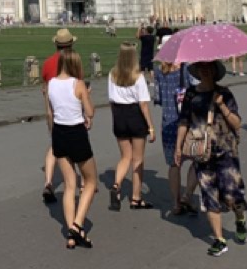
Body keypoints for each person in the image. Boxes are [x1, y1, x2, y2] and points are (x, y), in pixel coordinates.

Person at [175, 61, 247, 257]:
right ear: (197, 71)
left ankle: (240, 218)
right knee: (209, 196)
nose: (205, 71)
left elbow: (237, 123)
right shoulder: (191, 94)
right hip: (201, 152)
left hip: (226, 151)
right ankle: (219, 239)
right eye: (201, 68)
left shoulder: (225, 93)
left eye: (209, 68)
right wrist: (178, 147)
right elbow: (183, 121)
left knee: (233, 195)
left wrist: (222, 105)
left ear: (215, 71)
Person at [45, 50, 97, 249]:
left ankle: (71, 233)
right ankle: (76, 225)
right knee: (91, 181)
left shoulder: (51, 84)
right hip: (76, 133)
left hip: (59, 133)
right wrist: (87, 98)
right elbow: (90, 111)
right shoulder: (78, 84)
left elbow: (50, 112)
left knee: (69, 185)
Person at [107, 42, 155, 210]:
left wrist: (116, 118)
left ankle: (116, 185)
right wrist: (150, 126)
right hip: (135, 115)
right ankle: (136, 197)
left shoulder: (112, 74)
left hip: (119, 115)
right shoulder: (138, 76)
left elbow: (111, 100)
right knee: (138, 159)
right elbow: (143, 104)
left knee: (125, 157)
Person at [153, 52, 198, 216]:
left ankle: (176, 203)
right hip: (187, 120)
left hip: (168, 122)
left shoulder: (159, 71)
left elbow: (157, 98)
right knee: (198, 159)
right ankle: (188, 195)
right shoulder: (186, 69)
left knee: (174, 164)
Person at [40, 28, 80, 203]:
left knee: (54, 145)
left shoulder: (48, 63)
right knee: (77, 145)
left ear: (56, 44)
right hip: (71, 109)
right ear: (71, 44)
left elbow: (44, 86)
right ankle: (82, 182)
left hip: (52, 108)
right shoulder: (73, 62)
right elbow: (79, 87)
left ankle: (48, 182)